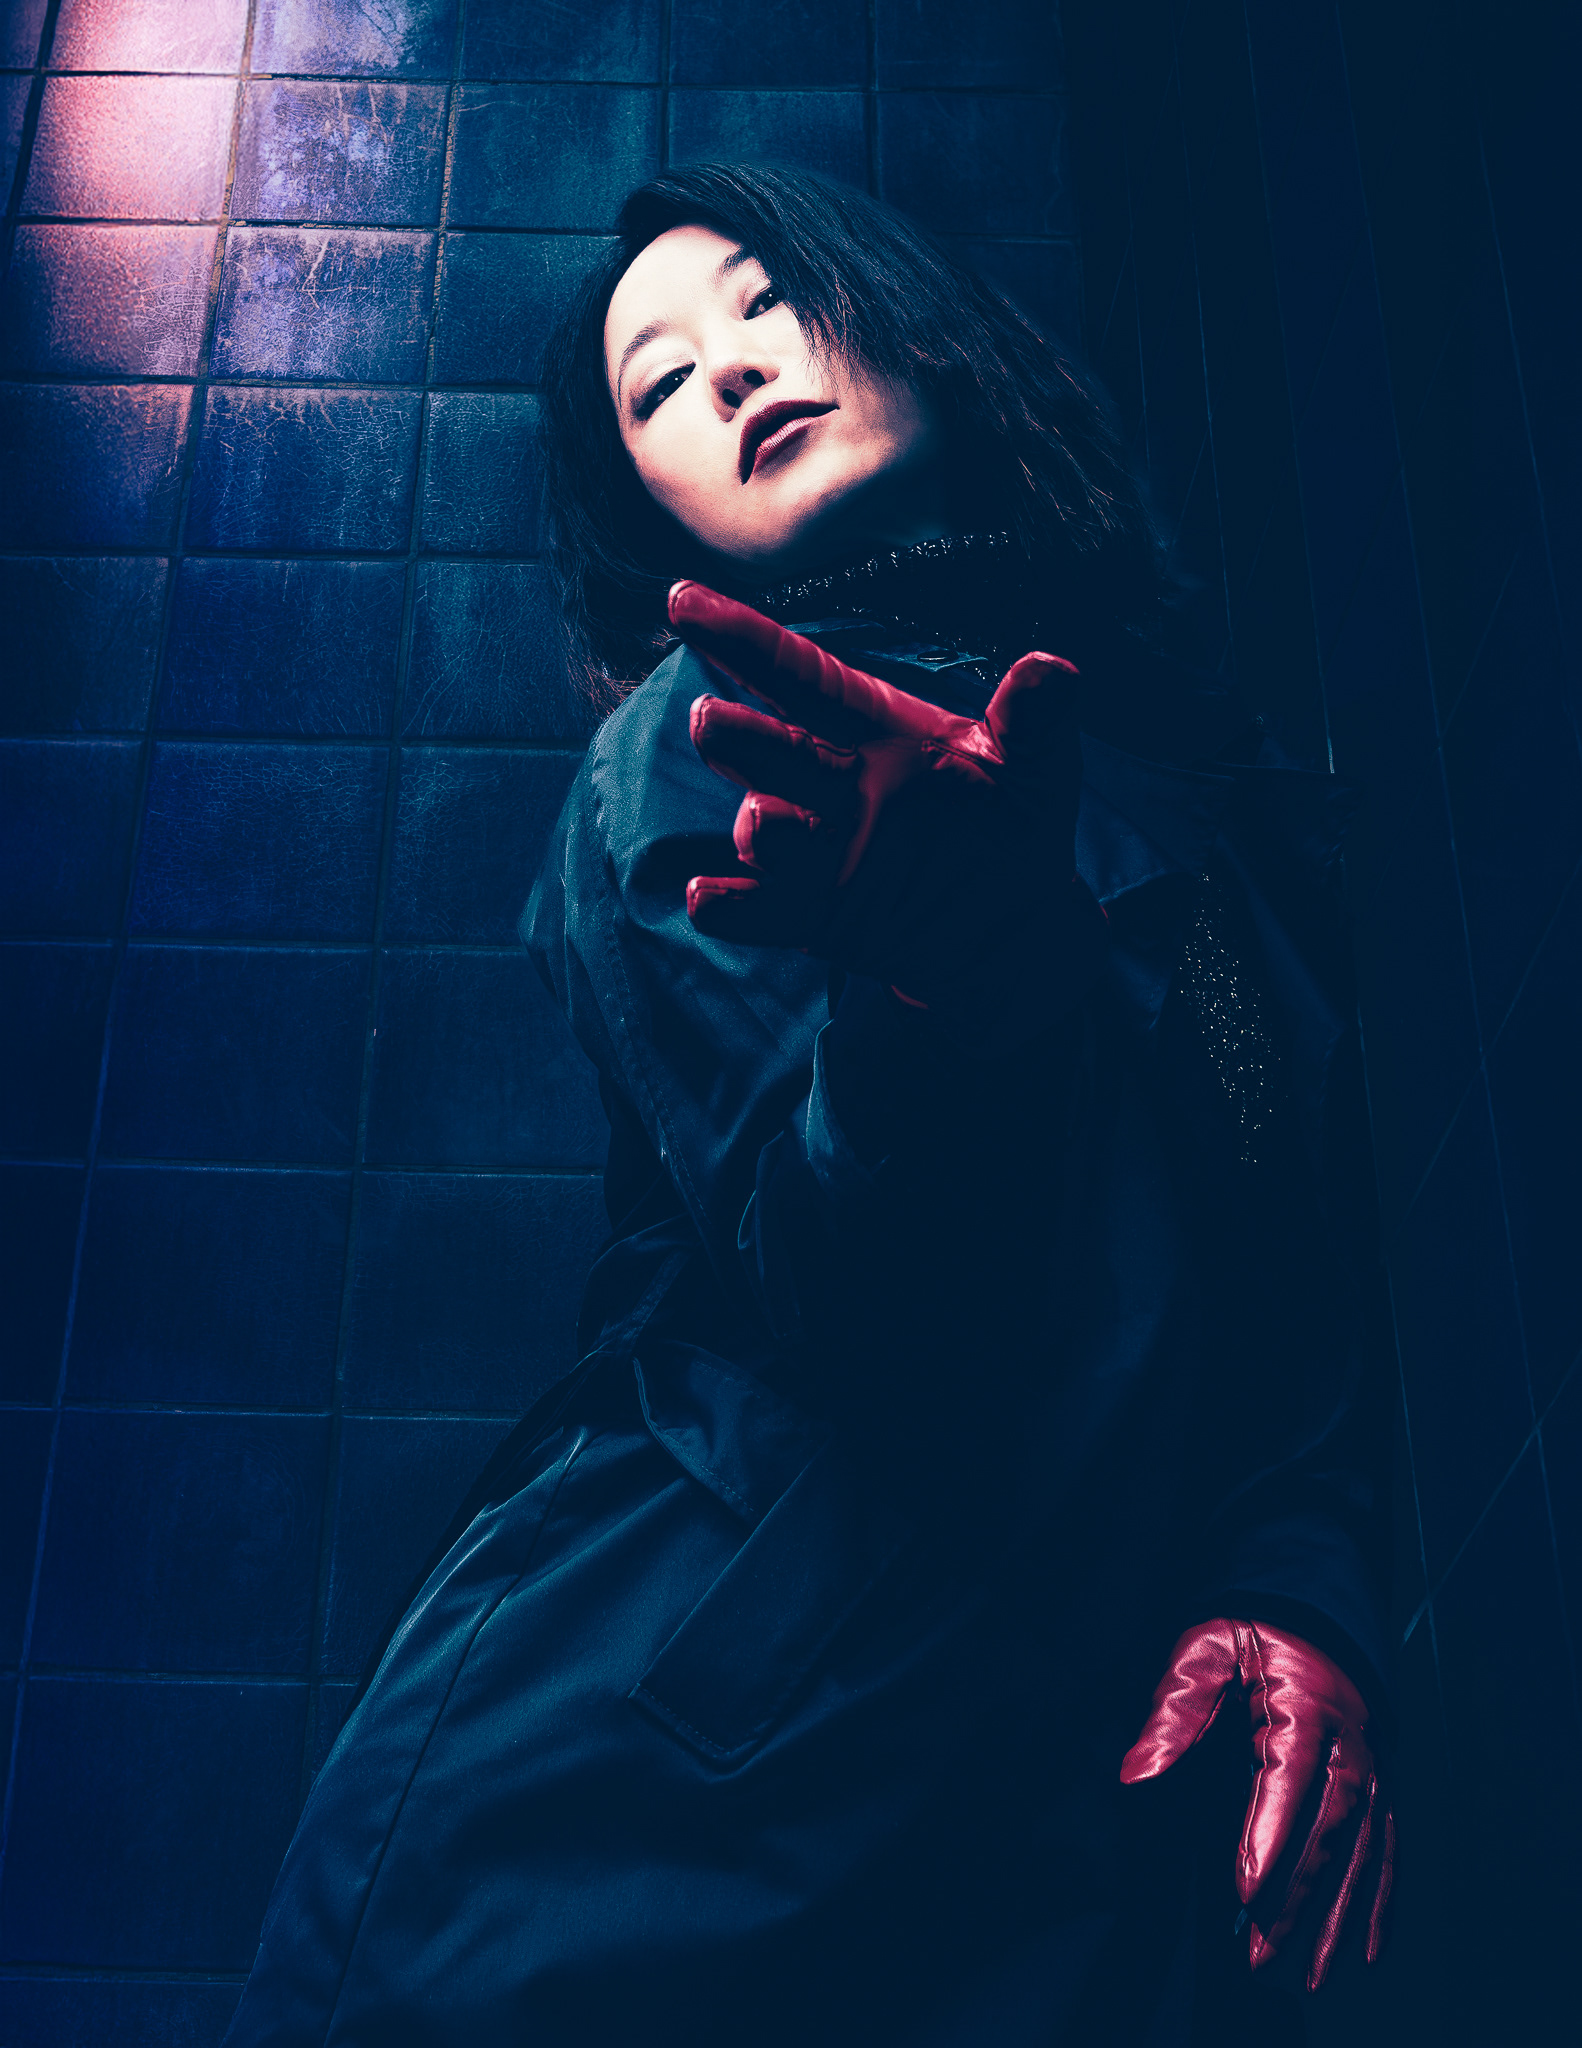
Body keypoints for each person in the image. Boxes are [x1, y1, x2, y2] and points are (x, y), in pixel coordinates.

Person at [224, 165, 1395, 2047]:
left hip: (1041, 1834)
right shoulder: (698, 755)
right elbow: (870, 1309)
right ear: (654, 515)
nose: (730, 369)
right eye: (658, 387)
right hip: (640, 1815)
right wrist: (939, 1006)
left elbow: (1276, 1260)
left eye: (769, 299)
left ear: (915, 317)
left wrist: (1298, 1581)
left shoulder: (1190, 804)